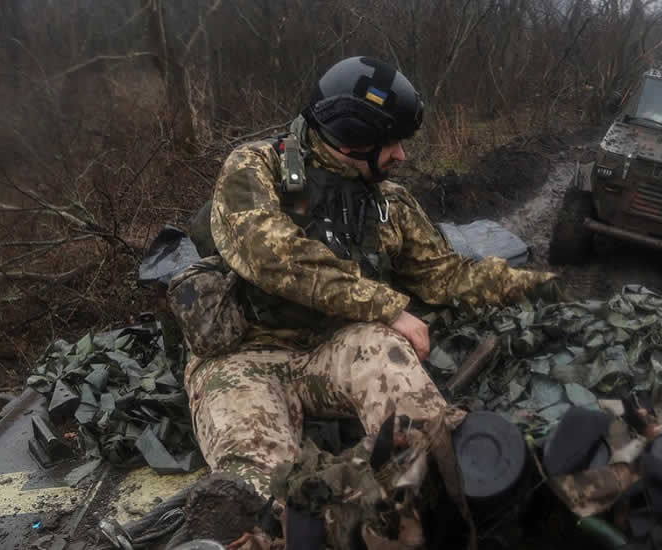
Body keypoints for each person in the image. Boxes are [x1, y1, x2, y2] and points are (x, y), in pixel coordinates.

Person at [169, 56, 558, 542]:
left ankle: (435, 489)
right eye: (390, 142)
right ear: (351, 135)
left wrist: (534, 283)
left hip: (333, 352)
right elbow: (276, 257)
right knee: (260, 488)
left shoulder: (389, 202)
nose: (400, 156)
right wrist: (390, 307)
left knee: (388, 355)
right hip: (245, 356)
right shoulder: (254, 168)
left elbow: (445, 275)